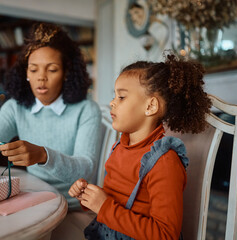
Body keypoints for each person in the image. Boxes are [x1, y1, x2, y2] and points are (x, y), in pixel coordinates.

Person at [0, 23, 102, 212]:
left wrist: (43, 155)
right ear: (26, 73)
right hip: (33, 201)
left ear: (66, 73)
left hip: (72, 208)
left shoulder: (87, 109)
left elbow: (85, 168)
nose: (41, 78)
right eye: (33, 69)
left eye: (52, 69)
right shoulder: (15, 108)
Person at [69, 53, 212, 239]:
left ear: (151, 106)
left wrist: (103, 206)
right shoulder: (119, 147)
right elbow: (120, 201)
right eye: (115, 96)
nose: (112, 102)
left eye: (121, 97)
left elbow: (166, 235)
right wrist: (89, 197)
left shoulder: (164, 162)